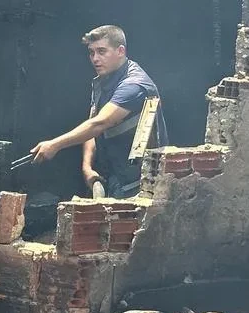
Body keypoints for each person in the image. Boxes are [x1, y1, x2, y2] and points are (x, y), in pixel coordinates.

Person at [30, 25, 167, 198]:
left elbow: (100, 123)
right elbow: (93, 128)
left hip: (140, 185)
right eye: (91, 52)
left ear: (121, 51)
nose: (95, 58)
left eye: (102, 51)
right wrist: (87, 168)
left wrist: (55, 145)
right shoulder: (103, 82)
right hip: (114, 179)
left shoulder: (134, 85)